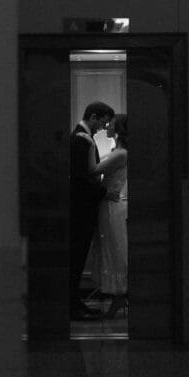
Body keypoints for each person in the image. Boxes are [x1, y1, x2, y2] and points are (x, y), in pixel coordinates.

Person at [69, 101, 115, 320]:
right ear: (94, 116)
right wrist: (103, 193)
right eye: (102, 123)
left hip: (82, 207)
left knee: (78, 256)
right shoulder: (81, 140)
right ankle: (72, 305)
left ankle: (75, 301)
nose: (103, 128)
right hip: (81, 209)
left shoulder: (81, 137)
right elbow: (80, 178)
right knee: (76, 256)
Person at [88, 113, 128, 319]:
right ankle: (117, 298)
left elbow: (94, 170)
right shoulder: (117, 152)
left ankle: (119, 297)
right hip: (109, 205)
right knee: (111, 249)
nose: (107, 126)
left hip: (110, 207)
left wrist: (88, 145)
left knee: (113, 251)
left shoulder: (120, 153)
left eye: (111, 123)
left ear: (119, 128)